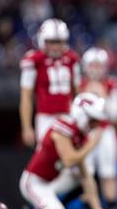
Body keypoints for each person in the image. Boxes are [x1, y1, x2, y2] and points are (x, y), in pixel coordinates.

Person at [19, 92, 115, 209]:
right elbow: (69, 160)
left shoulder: (80, 136)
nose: (94, 125)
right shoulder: (63, 126)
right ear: (82, 114)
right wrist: (91, 144)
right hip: (34, 182)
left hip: (52, 182)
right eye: (93, 120)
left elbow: (85, 176)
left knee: (85, 174)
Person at [20, 18, 81, 148]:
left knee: (69, 160)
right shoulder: (34, 60)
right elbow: (26, 97)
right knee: (45, 158)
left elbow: (77, 94)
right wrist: (26, 126)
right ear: (42, 40)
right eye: (51, 42)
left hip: (67, 116)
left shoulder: (72, 59)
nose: (55, 46)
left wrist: (79, 120)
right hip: (45, 118)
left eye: (59, 42)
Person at [80, 47, 117, 209]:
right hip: (86, 132)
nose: (96, 69)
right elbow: (74, 113)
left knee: (108, 170)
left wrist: (104, 96)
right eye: (93, 65)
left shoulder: (111, 84)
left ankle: (112, 205)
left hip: (105, 131)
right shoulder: (79, 84)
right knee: (86, 171)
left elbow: (115, 115)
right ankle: (87, 206)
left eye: (99, 65)